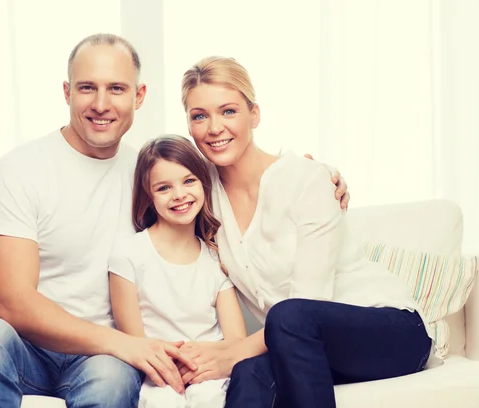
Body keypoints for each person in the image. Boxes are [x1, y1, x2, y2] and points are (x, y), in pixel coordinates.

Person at [0, 32, 348, 408]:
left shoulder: (149, 174)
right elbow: (13, 304)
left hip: (104, 359)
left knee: (110, 380)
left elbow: (217, 178)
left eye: (116, 88)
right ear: (67, 93)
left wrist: (317, 174)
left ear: (138, 96)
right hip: (31, 347)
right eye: (87, 87)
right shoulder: (19, 171)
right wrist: (127, 345)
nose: (101, 104)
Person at [171, 56, 433, 408]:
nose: (214, 127)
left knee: (288, 314)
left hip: (391, 332)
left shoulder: (306, 180)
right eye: (199, 116)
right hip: (300, 345)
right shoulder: (202, 196)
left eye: (228, 111)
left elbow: (311, 301)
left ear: (255, 114)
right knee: (249, 375)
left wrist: (228, 355)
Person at [109, 135, 247, 408]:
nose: (179, 195)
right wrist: (173, 362)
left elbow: (236, 341)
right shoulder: (128, 255)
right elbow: (134, 341)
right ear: (148, 196)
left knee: (208, 397)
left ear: (203, 184)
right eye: (163, 188)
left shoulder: (216, 257)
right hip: (155, 372)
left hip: (209, 371)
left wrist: (200, 359)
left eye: (188, 181)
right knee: (162, 401)